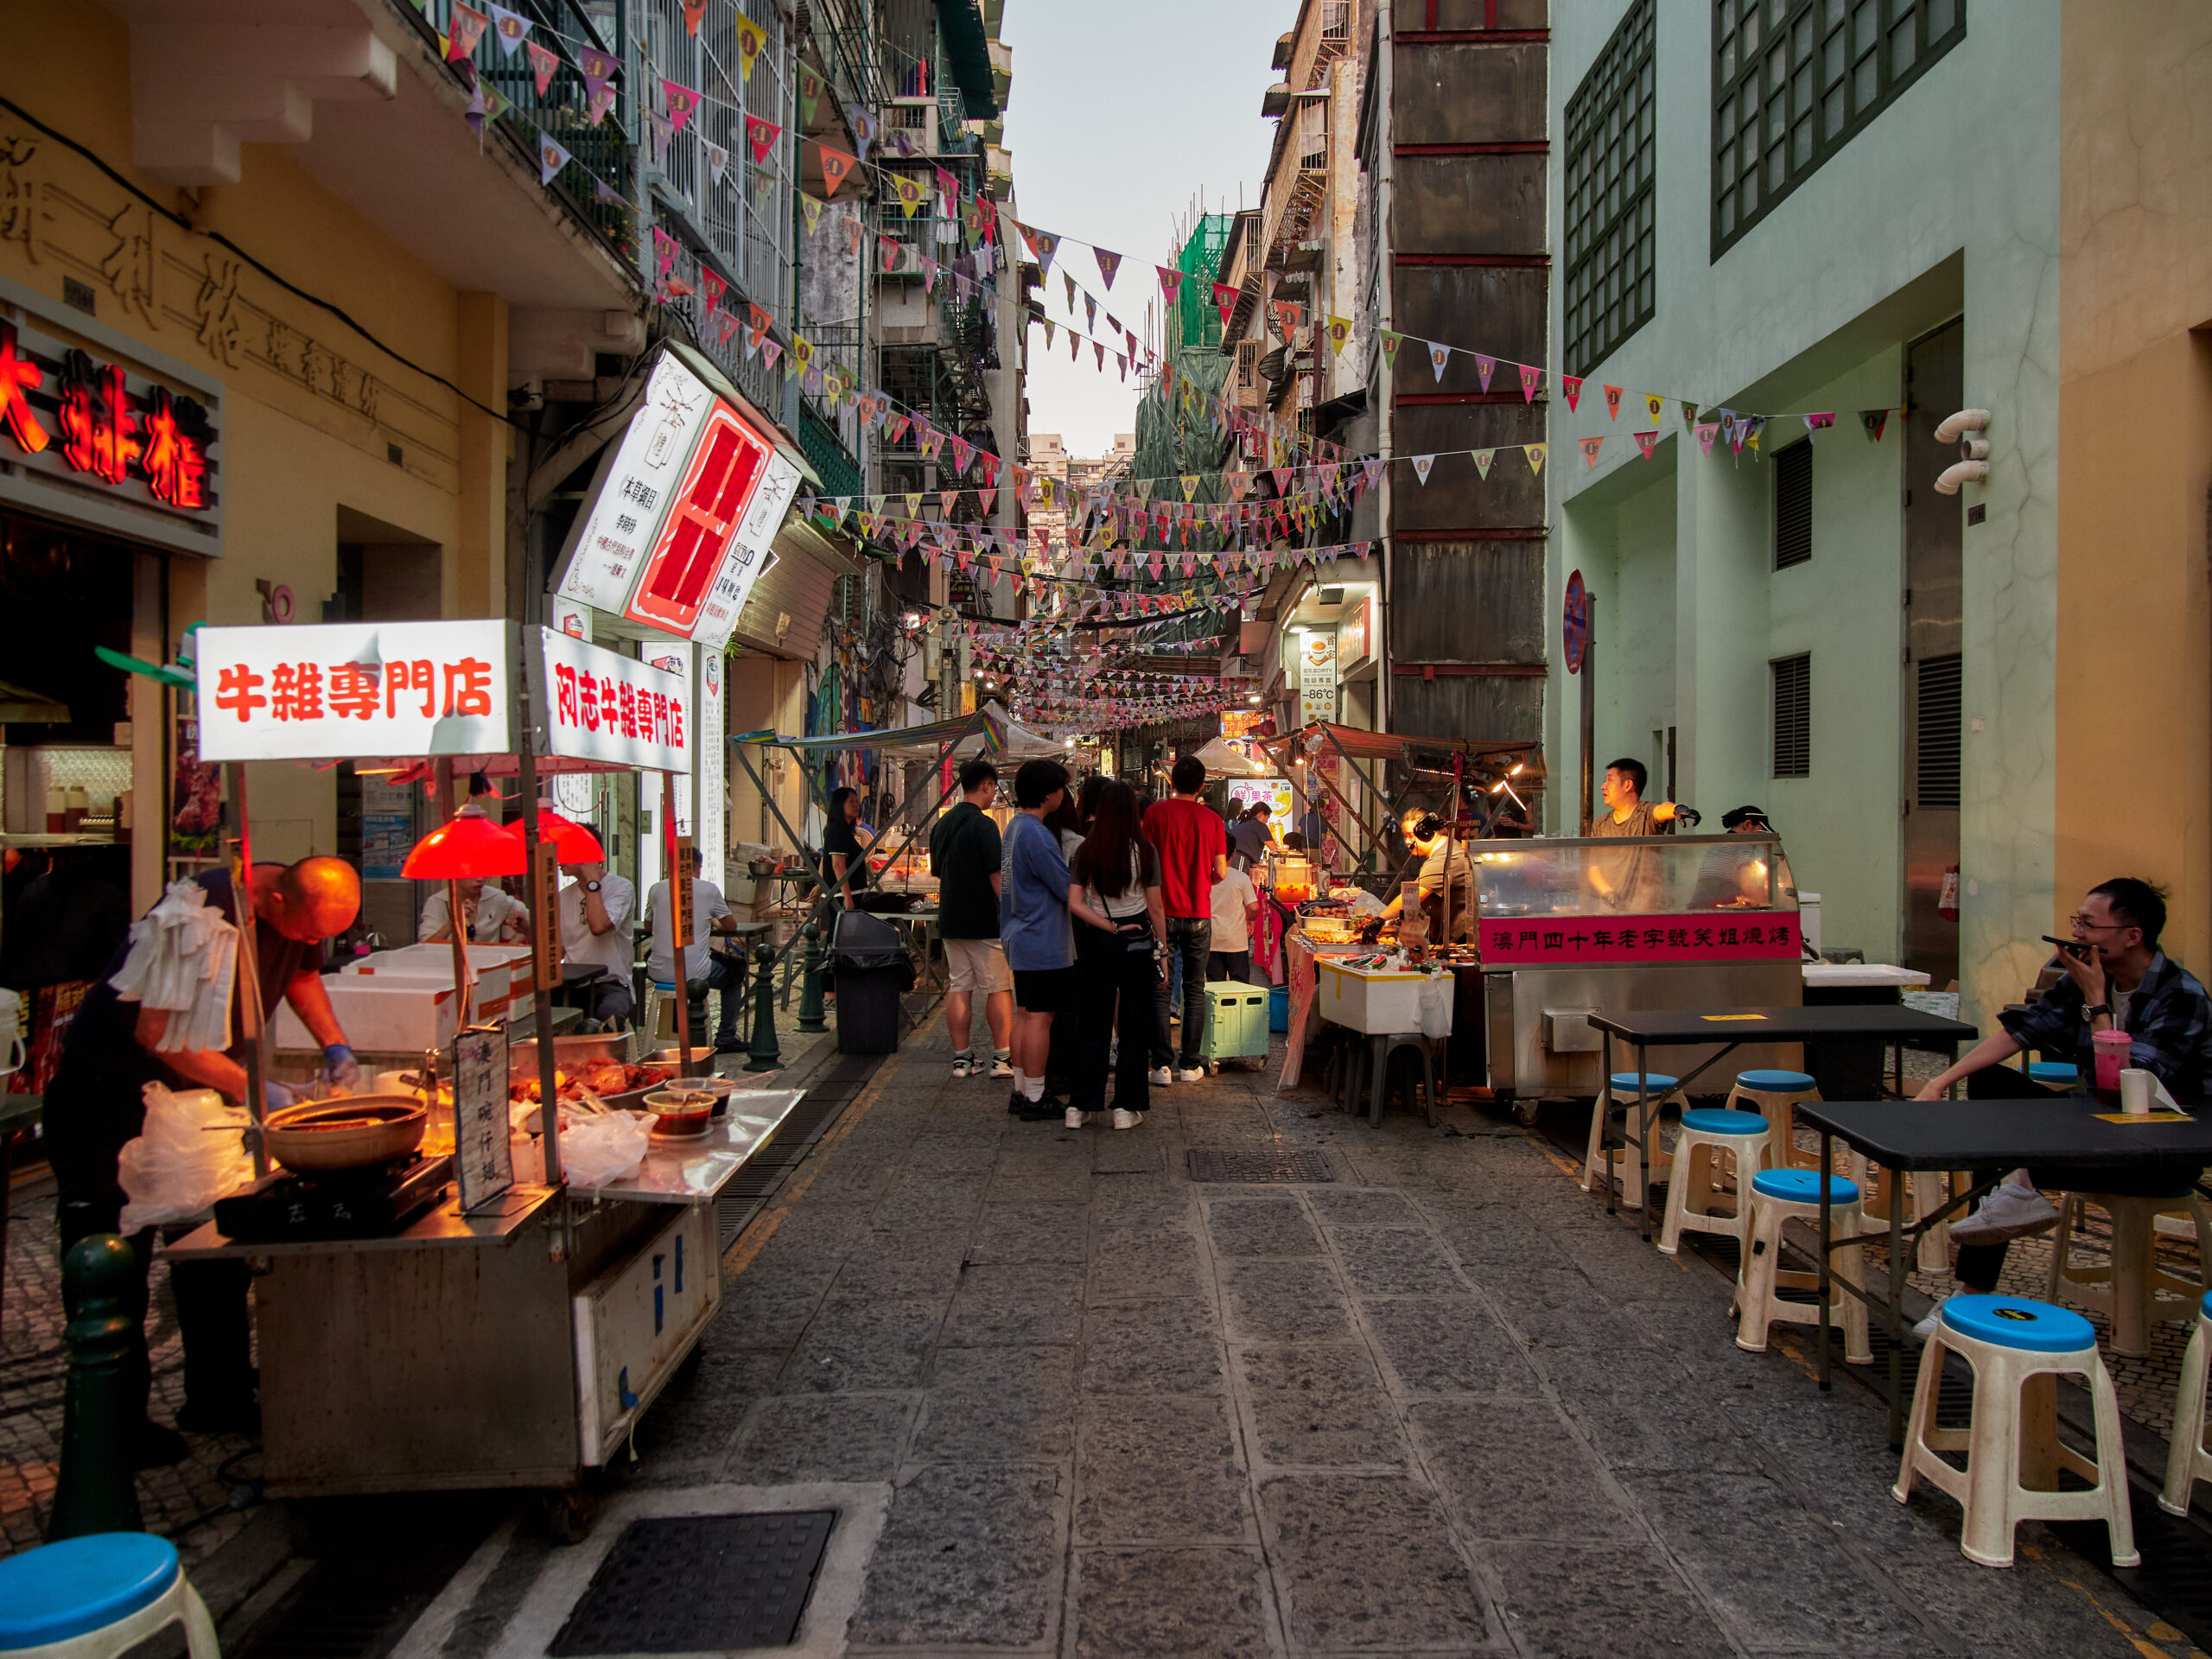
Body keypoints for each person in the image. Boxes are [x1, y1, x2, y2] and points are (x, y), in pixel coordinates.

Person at [45, 857, 364, 1458]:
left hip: (189, 1105)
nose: (313, 943)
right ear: (274, 900)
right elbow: (158, 1034)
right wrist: (256, 1089)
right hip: (109, 1100)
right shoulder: (195, 914)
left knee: (212, 1247)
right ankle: (114, 1428)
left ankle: (219, 1396)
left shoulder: (296, 917)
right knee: (115, 1263)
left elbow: (301, 976)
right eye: (308, 931)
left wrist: (335, 1043)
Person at [1909, 877, 2212, 1336]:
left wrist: (2097, 1003)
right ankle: (2007, 1214)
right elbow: (2023, 1031)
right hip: (2095, 1125)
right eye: (2077, 922)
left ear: (2132, 935)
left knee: (2007, 1154)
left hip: (2162, 1150)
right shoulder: (2084, 976)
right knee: (1990, 1086)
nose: (2077, 934)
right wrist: (1940, 1081)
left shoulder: (2181, 995)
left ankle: (2013, 1199)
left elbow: (2129, 1087)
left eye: (2089, 925)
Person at [1068, 780, 1165, 1130]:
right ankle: (1125, 1107)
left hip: (1098, 942)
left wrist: (1107, 926)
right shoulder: (1146, 850)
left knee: (1092, 1021)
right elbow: (1156, 908)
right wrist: (1163, 952)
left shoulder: (1087, 849)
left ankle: (1079, 1106)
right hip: (1137, 941)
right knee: (1134, 1024)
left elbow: (1074, 903)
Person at [1001, 760, 1080, 1119]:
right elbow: (1066, 888)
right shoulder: (1038, 834)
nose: (1064, 794)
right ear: (1049, 793)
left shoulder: (1015, 827)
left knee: (1025, 1014)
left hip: (1020, 934)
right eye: (1061, 787)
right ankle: (1035, 1096)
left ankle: (1022, 1089)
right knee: (1040, 1018)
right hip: (1042, 938)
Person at [1144, 754, 1227, 1085]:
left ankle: (1161, 1066)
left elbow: (1145, 864)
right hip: (1199, 915)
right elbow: (1221, 871)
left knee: (1160, 987)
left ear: (1172, 782)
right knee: (1194, 988)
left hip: (1161, 915)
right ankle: (1191, 1065)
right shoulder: (1213, 820)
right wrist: (1203, 880)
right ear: (1202, 786)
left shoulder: (1154, 814)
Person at [930, 759, 1014, 1081]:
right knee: (999, 987)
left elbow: (939, 871)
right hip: (983, 919)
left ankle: (962, 1060)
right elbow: (997, 877)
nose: (994, 794)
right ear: (986, 785)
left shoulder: (942, 824)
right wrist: (1011, 913)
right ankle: (1002, 1058)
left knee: (960, 987)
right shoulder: (984, 825)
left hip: (951, 918)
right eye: (994, 788)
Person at [645, 845, 744, 1052]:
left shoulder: (656, 888)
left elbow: (648, 926)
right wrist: (713, 922)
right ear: (698, 867)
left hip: (657, 970)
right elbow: (730, 926)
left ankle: (665, 1028)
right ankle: (726, 1037)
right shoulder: (708, 890)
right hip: (694, 973)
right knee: (734, 975)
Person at [1588, 757, 1681, 912]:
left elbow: (1662, 809)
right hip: (1610, 911)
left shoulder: (1646, 814)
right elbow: (1593, 869)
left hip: (1647, 911)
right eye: (1605, 781)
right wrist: (1610, 894)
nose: (1603, 786)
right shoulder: (1600, 824)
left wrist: (1677, 809)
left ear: (1627, 785)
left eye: (1610, 781)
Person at [556, 855, 636, 1030]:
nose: (559, 861)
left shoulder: (621, 887)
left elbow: (599, 926)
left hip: (611, 982)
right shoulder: (563, 896)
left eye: (566, 854)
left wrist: (592, 883)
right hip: (573, 982)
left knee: (609, 1018)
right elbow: (558, 949)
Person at [1381, 808, 1477, 942]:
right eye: (1404, 836)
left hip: (1459, 938)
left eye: (1411, 835)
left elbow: (1411, 897)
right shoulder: (1445, 849)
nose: (1407, 842)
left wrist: (1378, 921)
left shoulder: (1444, 859)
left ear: (1428, 832)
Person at [419, 874, 529, 943]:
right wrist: (453, 923)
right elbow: (426, 946)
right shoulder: (437, 902)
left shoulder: (496, 898)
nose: (480, 879)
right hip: (447, 965)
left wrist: (515, 940)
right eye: (472, 873)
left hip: (488, 965)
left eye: (484, 872)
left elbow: (532, 920)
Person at [1209, 856, 1260, 982]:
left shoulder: (1205, 876)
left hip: (1211, 938)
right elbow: (1254, 907)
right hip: (1236, 940)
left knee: (1215, 985)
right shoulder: (1241, 878)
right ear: (1234, 854)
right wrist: (1251, 919)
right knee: (1240, 984)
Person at [822, 785, 870, 912]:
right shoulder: (837, 831)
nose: (856, 805)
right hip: (841, 898)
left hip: (852, 894)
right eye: (851, 801)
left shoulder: (846, 831)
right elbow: (838, 865)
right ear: (839, 805)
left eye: (857, 801)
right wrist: (847, 897)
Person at [1230, 801, 1274, 869]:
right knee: (1239, 876)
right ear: (1261, 814)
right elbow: (1274, 848)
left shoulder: (1242, 824)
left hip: (1230, 858)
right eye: (1267, 817)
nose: (1267, 821)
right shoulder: (1260, 826)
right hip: (1240, 859)